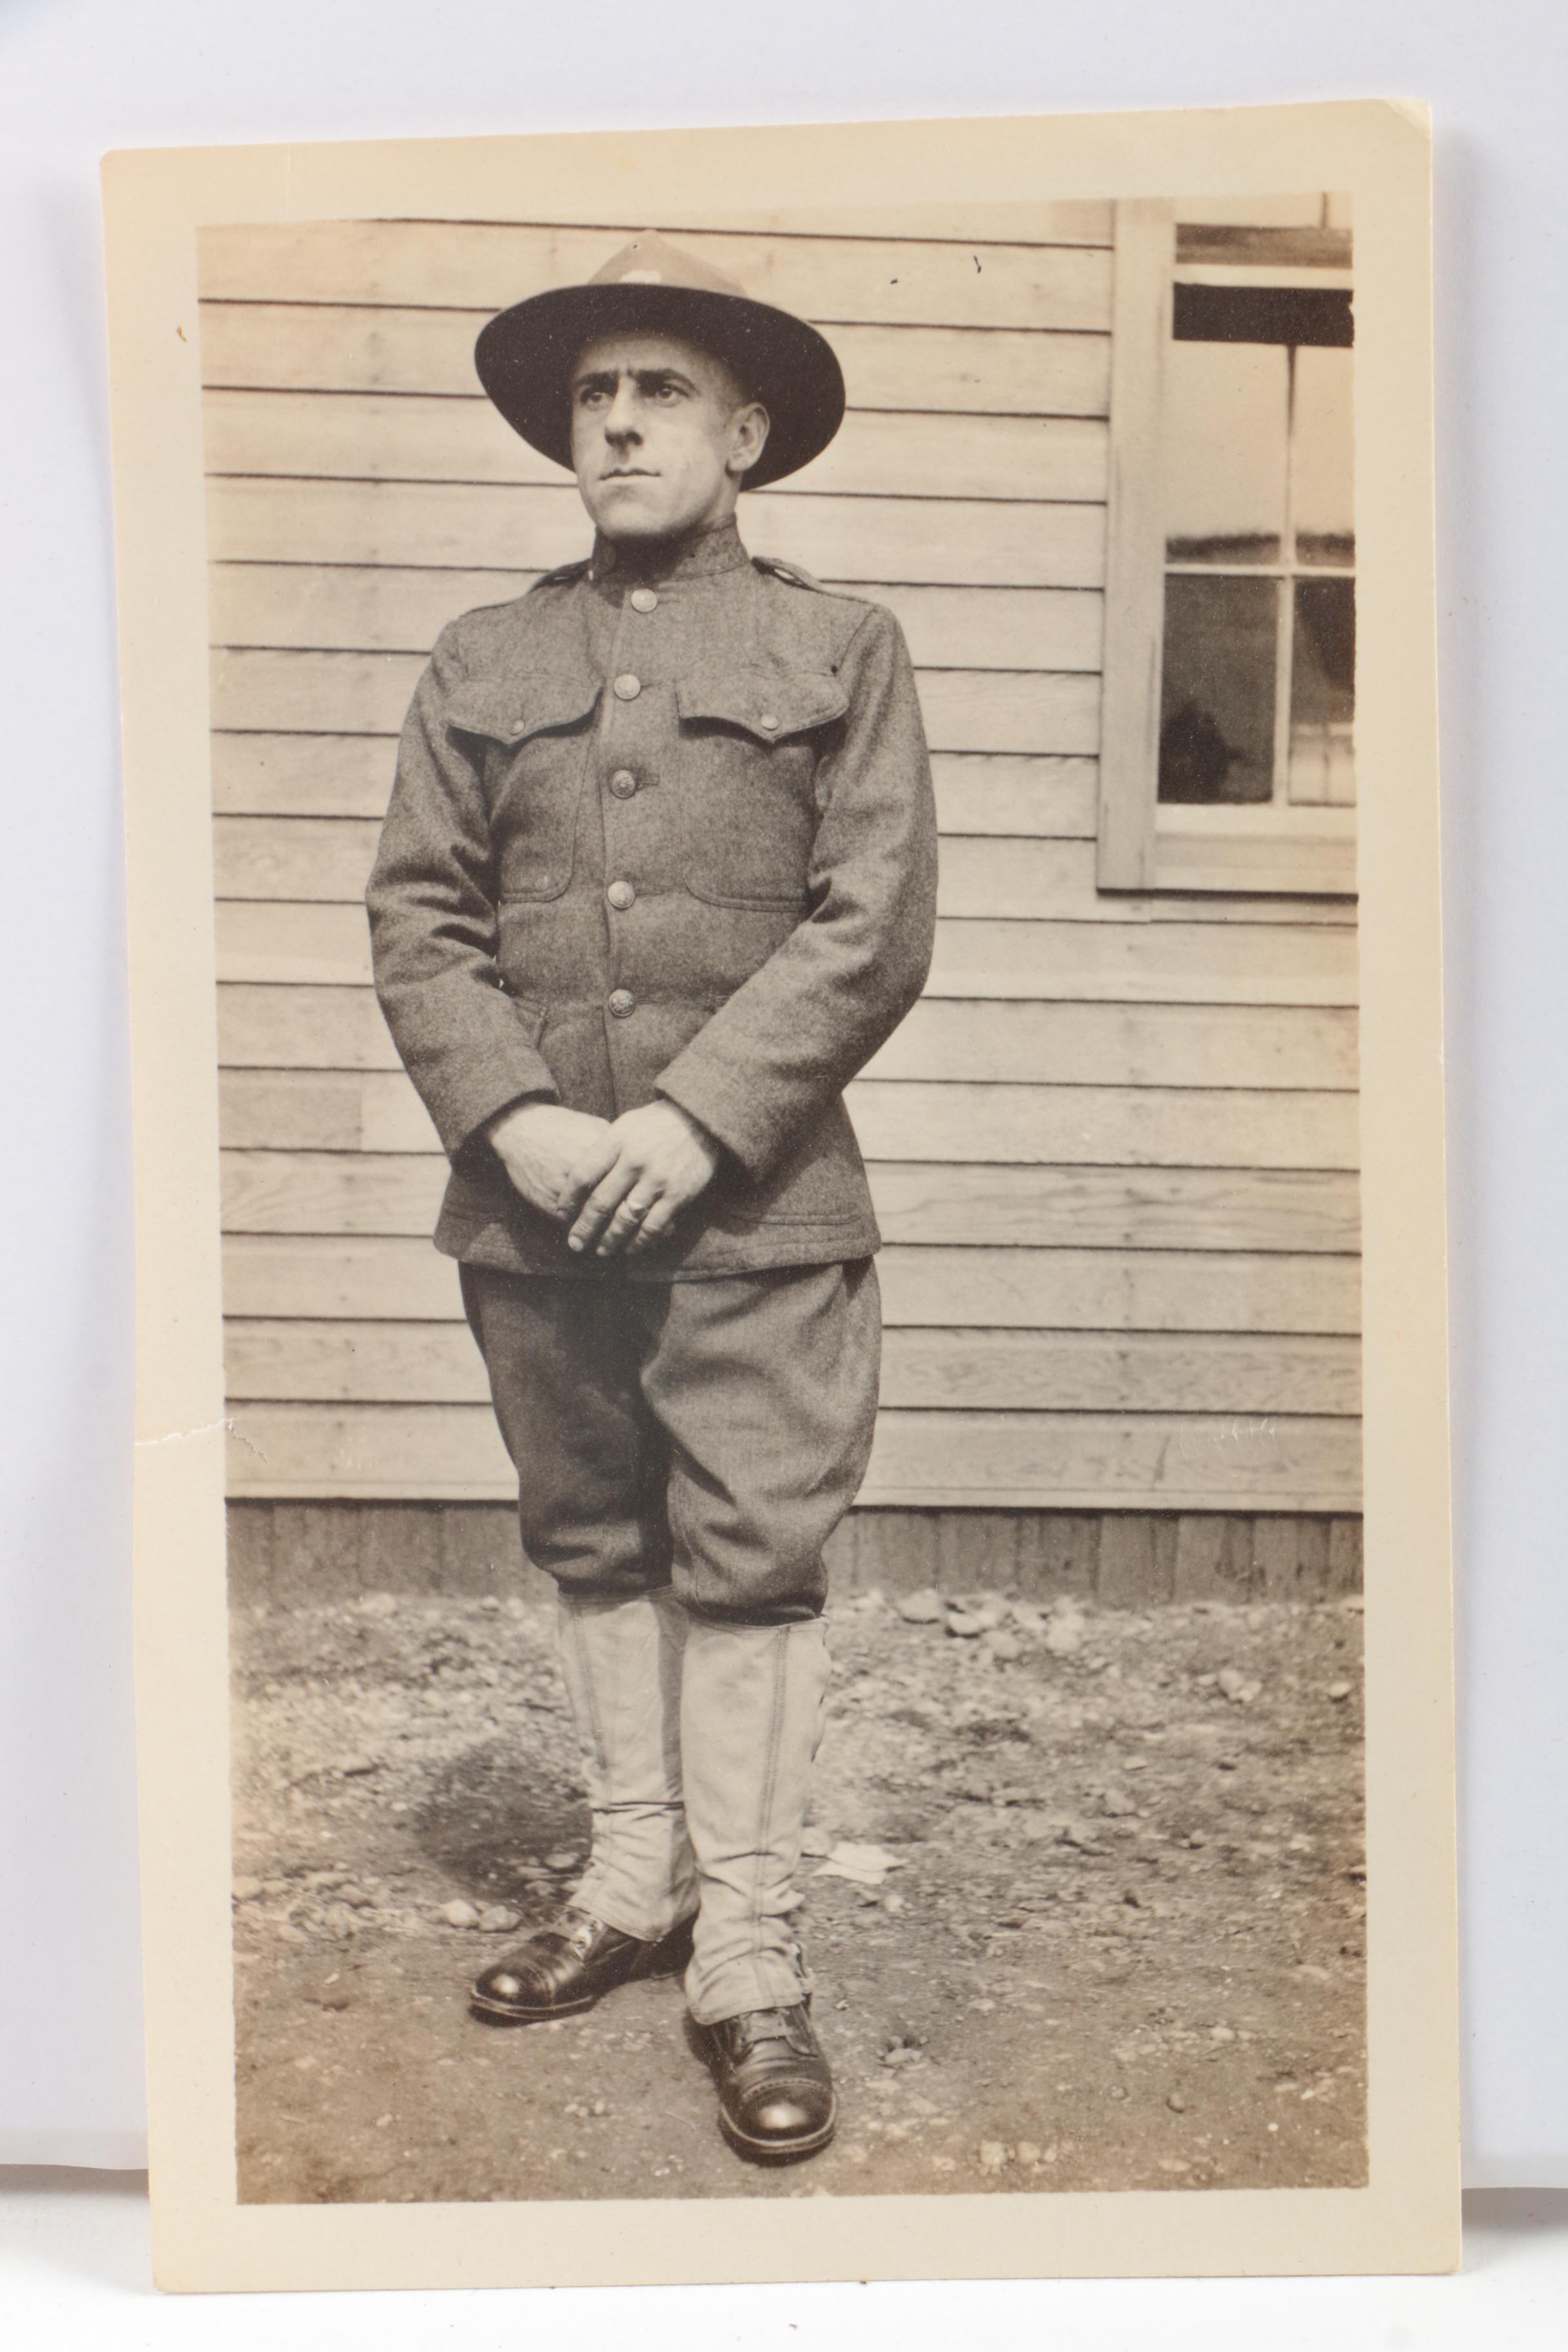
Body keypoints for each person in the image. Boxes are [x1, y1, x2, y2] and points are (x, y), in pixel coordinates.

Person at [366, 232, 937, 2163]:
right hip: (534, 1209)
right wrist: (509, 1115)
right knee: (593, 1537)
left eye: (661, 390)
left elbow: (873, 924)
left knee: (749, 1557)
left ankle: (750, 1951)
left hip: (755, 1202)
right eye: (594, 395)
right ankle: (635, 1889)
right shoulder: (485, 659)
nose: (617, 421)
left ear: (748, 433)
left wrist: (692, 1124)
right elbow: (420, 918)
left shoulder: (838, 649)